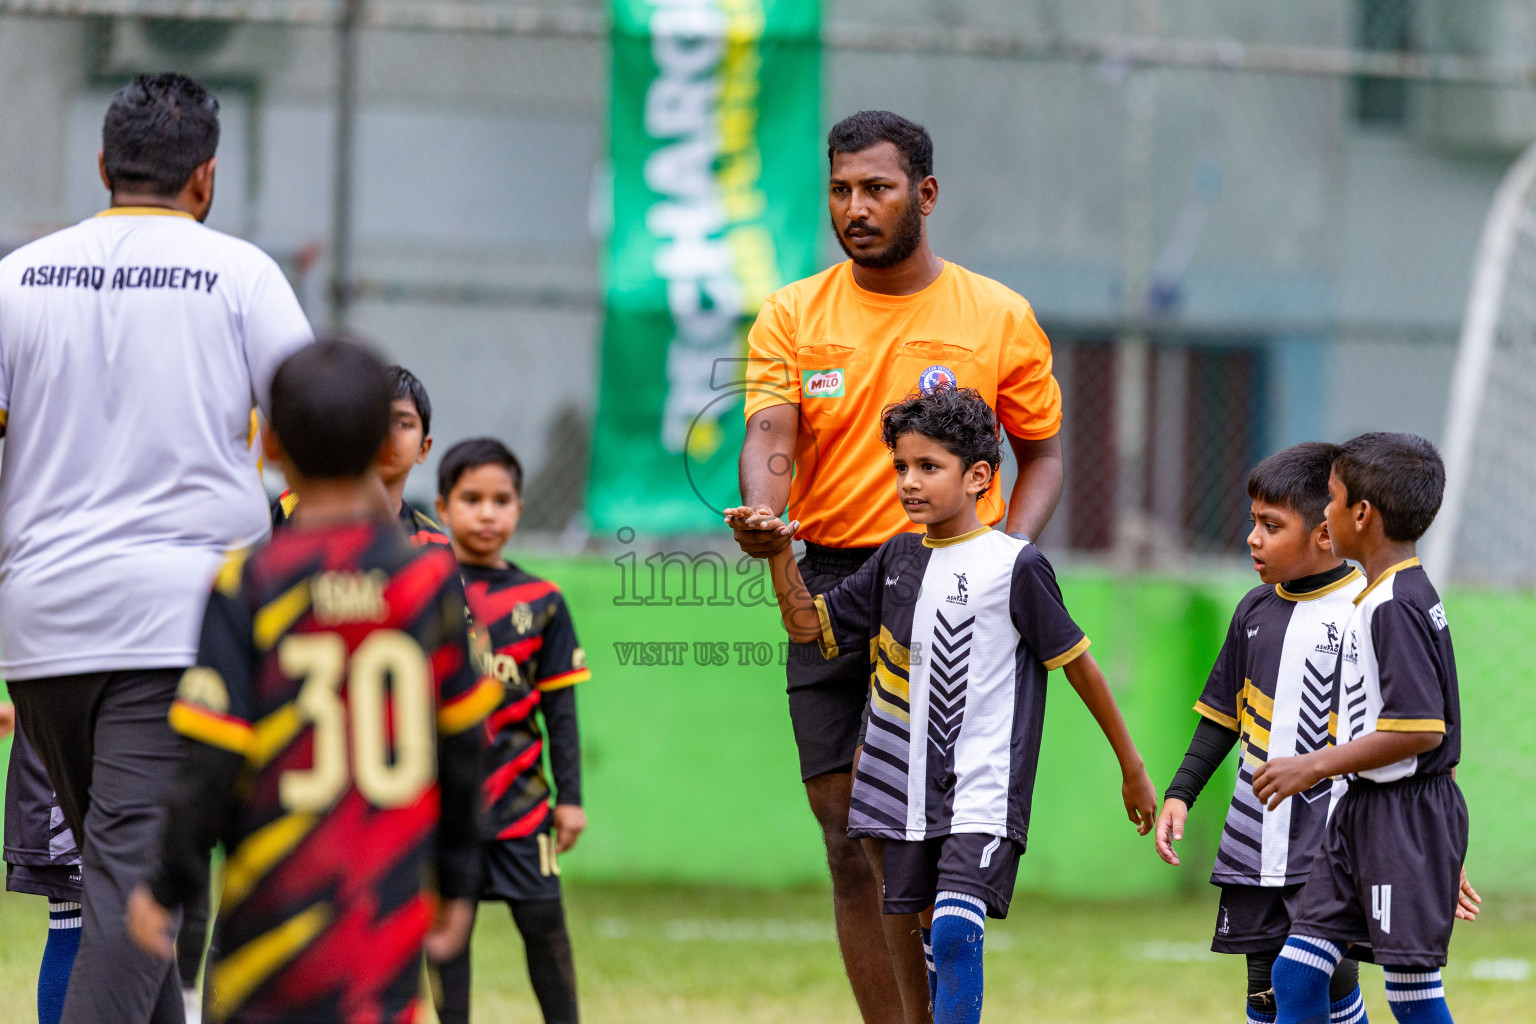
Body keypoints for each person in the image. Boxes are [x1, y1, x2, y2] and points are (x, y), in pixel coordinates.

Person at [734, 109, 1068, 1023]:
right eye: (840, 190)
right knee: (848, 839)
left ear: (924, 194)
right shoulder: (792, 313)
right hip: (833, 581)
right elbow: (771, 429)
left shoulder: (997, 316)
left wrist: (1009, 554)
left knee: (913, 842)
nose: (855, 207)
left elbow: (1041, 454)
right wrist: (767, 510)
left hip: (955, 586)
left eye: (876, 188)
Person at [0, 73, 313, 1023]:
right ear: (206, 178)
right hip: (177, 625)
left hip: (40, 628)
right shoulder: (240, 273)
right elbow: (313, 426)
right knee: (140, 892)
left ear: (103, 165)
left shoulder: (18, 275)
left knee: (122, 879)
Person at [727, 385, 1156, 1024]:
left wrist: (1132, 767)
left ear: (979, 476)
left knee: (955, 927)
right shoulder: (896, 559)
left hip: (983, 788)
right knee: (920, 943)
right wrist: (778, 553)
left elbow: (1081, 667)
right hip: (900, 789)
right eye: (900, 467)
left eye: (928, 467)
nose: (908, 482)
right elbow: (808, 629)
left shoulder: (1017, 566)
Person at [125, 338, 500, 1023]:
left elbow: (210, 756)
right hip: (381, 925)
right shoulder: (427, 583)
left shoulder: (250, 582)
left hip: (271, 930)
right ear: (384, 445)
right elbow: (464, 749)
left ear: (268, 444)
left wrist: (169, 878)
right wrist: (457, 880)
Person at [1153, 442, 1371, 1024]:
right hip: (1257, 836)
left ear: (1325, 532)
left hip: (1331, 836)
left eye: (1271, 526)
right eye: (1253, 523)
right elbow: (1221, 717)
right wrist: (1181, 792)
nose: (1253, 538)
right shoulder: (1253, 611)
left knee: (1319, 973)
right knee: (1265, 987)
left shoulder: (1367, 610)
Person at [1254, 434, 1468, 1024]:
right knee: (1296, 972)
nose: (1323, 510)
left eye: (1331, 497)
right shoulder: (1384, 596)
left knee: (1411, 994)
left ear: (1361, 515)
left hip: (1401, 815)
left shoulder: (1395, 605)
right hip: (1367, 813)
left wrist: (1313, 763)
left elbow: (1422, 731)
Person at [430, 438, 590, 1024]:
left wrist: (570, 800)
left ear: (520, 509)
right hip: (443, 810)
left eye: (501, 500)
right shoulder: (423, 590)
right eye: (471, 498)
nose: (487, 512)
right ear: (443, 508)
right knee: (447, 941)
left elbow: (561, 711)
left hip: (523, 807)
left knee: (545, 931)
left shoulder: (543, 601)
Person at [273, 364, 449, 547]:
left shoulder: (434, 542)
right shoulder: (288, 507)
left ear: (423, 449)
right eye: (376, 420)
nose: (388, 435)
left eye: (403, 423)